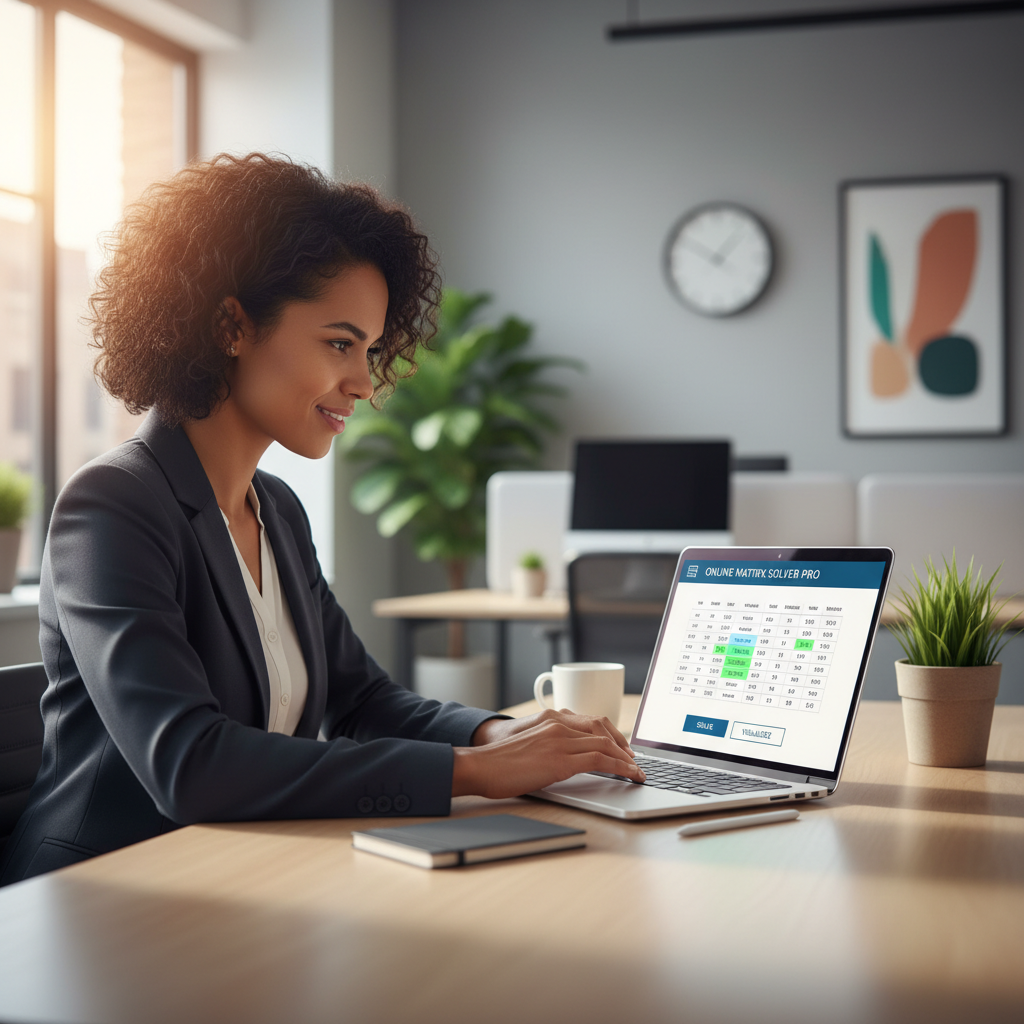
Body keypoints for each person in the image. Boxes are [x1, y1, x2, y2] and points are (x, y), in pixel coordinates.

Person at [0, 153, 643, 886]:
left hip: (241, 872)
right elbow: (189, 764)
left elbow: (359, 696)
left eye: (370, 350)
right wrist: (473, 770)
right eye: (340, 343)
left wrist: (508, 735)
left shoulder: (276, 508)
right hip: (103, 893)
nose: (366, 384)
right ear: (230, 326)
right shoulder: (113, 505)